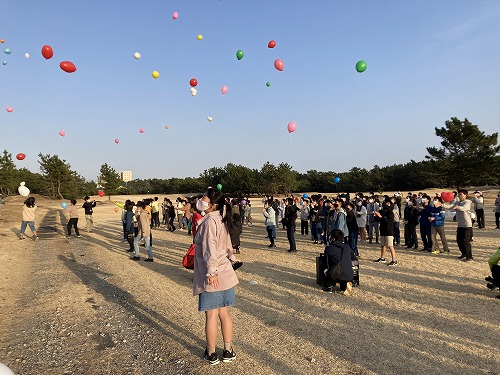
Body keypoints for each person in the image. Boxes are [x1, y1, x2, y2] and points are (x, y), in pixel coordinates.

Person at [193, 188, 239, 365]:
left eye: (205, 198)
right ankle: (228, 350)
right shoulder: (221, 218)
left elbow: (210, 248)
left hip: (214, 274)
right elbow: (228, 246)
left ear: (213, 205)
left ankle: (211, 352)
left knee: (212, 315)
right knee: (224, 313)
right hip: (226, 272)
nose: (202, 199)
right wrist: (232, 258)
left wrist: (211, 272)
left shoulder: (209, 221)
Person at [322, 229, 354, 296]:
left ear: (333, 239)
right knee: (342, 268)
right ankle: (345, 285)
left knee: (326, 269)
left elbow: (325, 262)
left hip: (337, 273)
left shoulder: (329, 248)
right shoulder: (347, 247)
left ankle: (329, 286)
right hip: (349, 274)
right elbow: (352, 258)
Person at [373, 198, 398, 266]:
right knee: (382, 245)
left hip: (389, 230)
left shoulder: (390, 212)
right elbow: (378, 220)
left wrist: (380, 216)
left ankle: (394, 260)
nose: (386, 204)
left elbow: (388, 222)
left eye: (388, 203)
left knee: (390, 246)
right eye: (386, 203)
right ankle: (382, 258)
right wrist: (376, 215)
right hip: (383, 230)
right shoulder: (383, 211)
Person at [450, 189, 473, 261]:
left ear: (465, 195)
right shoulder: (458, 202)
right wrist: (441, 204)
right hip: (460, 225)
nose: (459, 196)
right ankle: (464, 254)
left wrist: (458, 207)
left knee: (465, 241)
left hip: (467, 225)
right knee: (459, 240)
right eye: (459, 194)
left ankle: (469, 256)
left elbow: (465, 208)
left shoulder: (467, 202)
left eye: (461, 194)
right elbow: (450, 206)